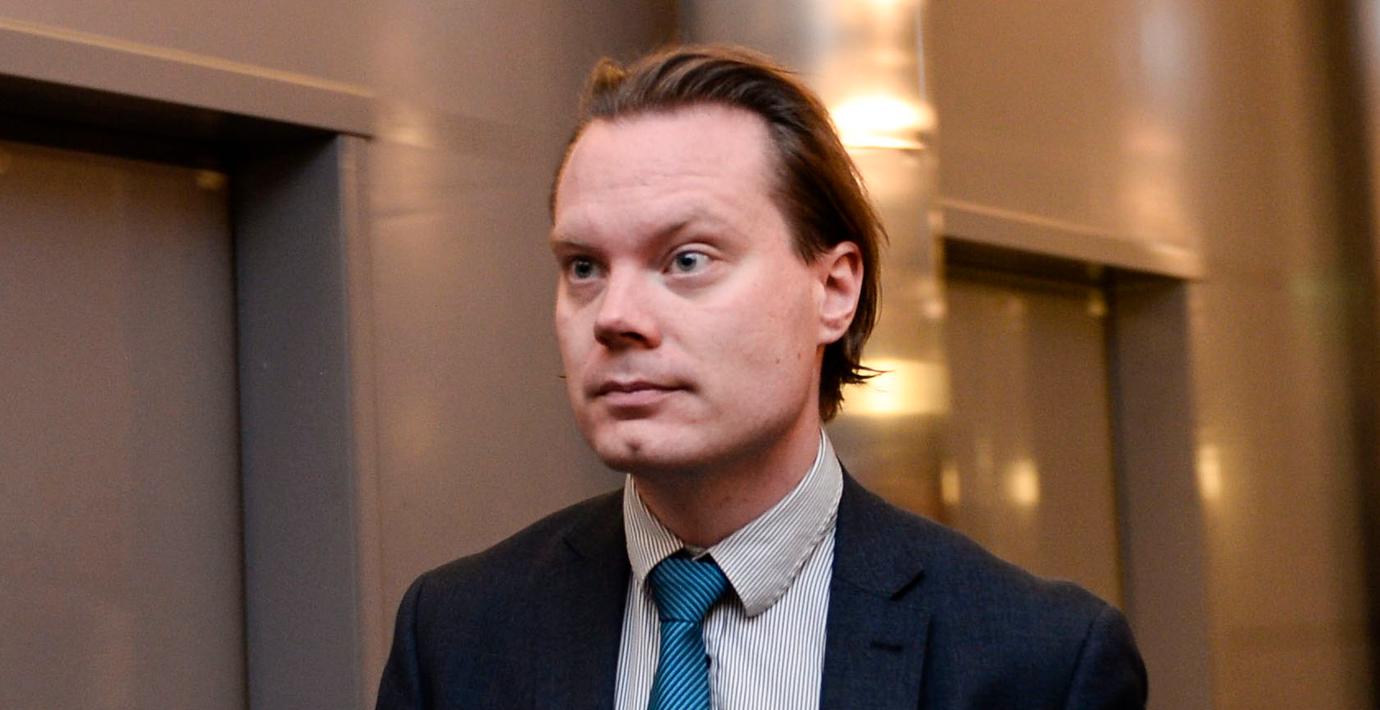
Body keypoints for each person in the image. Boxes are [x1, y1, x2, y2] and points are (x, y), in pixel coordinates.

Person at [375, 44, 1147, 710]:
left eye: (687, 260)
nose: (615, 316)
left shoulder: (1034, 661)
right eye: (584, 267)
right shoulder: (458, 634)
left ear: (833, 290)